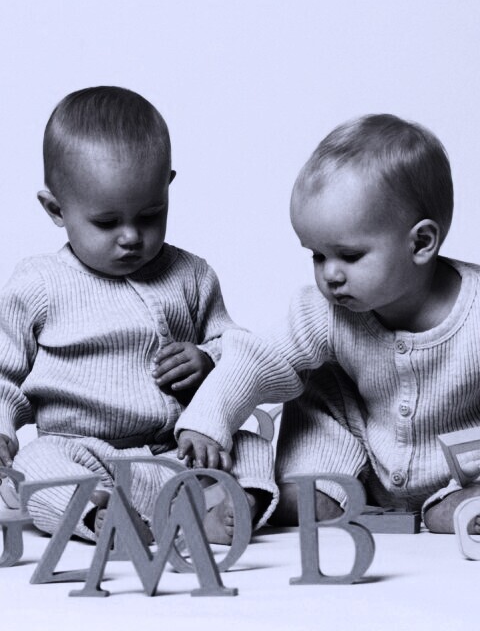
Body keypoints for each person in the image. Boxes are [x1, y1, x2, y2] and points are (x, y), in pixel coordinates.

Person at [176, 113, 480, 533]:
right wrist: (208, 421)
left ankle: (458, 507)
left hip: (457, 470)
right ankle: (287, 495)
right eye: (318, 256)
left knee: (457, 503)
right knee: (318, 390)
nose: (330, 275)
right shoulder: (326, 310)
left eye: (349, 256)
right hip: (358, 465)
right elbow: (256, 358)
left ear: (421, 243)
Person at [0, 86, 277, 543]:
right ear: (55, 209)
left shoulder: (191, 274)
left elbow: (239, 350)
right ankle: (100, 517)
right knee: (36, 464)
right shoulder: (39, 284)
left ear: (167, 186)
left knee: (249, 444)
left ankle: (231, 506)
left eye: (150, 215)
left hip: (178, 451)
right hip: (85, 454)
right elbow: (5, 372)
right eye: (107, 222)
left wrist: (208, 359)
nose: (131, 236)